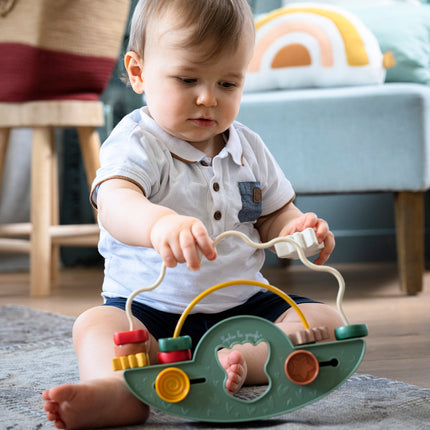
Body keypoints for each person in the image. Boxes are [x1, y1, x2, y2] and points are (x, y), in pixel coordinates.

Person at [43, 0, 343, 428]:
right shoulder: (137, 142)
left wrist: (297, 230)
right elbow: (115, 202)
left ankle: (238, 361)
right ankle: (116, 391)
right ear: (138, 71)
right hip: (150, 313)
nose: (208, 97)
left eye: (228, 83)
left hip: (244, 308)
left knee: (324, 322)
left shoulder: (248, 148)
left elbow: (274, 215)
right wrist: (158, 223)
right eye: (188, 79)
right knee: (96, 325)